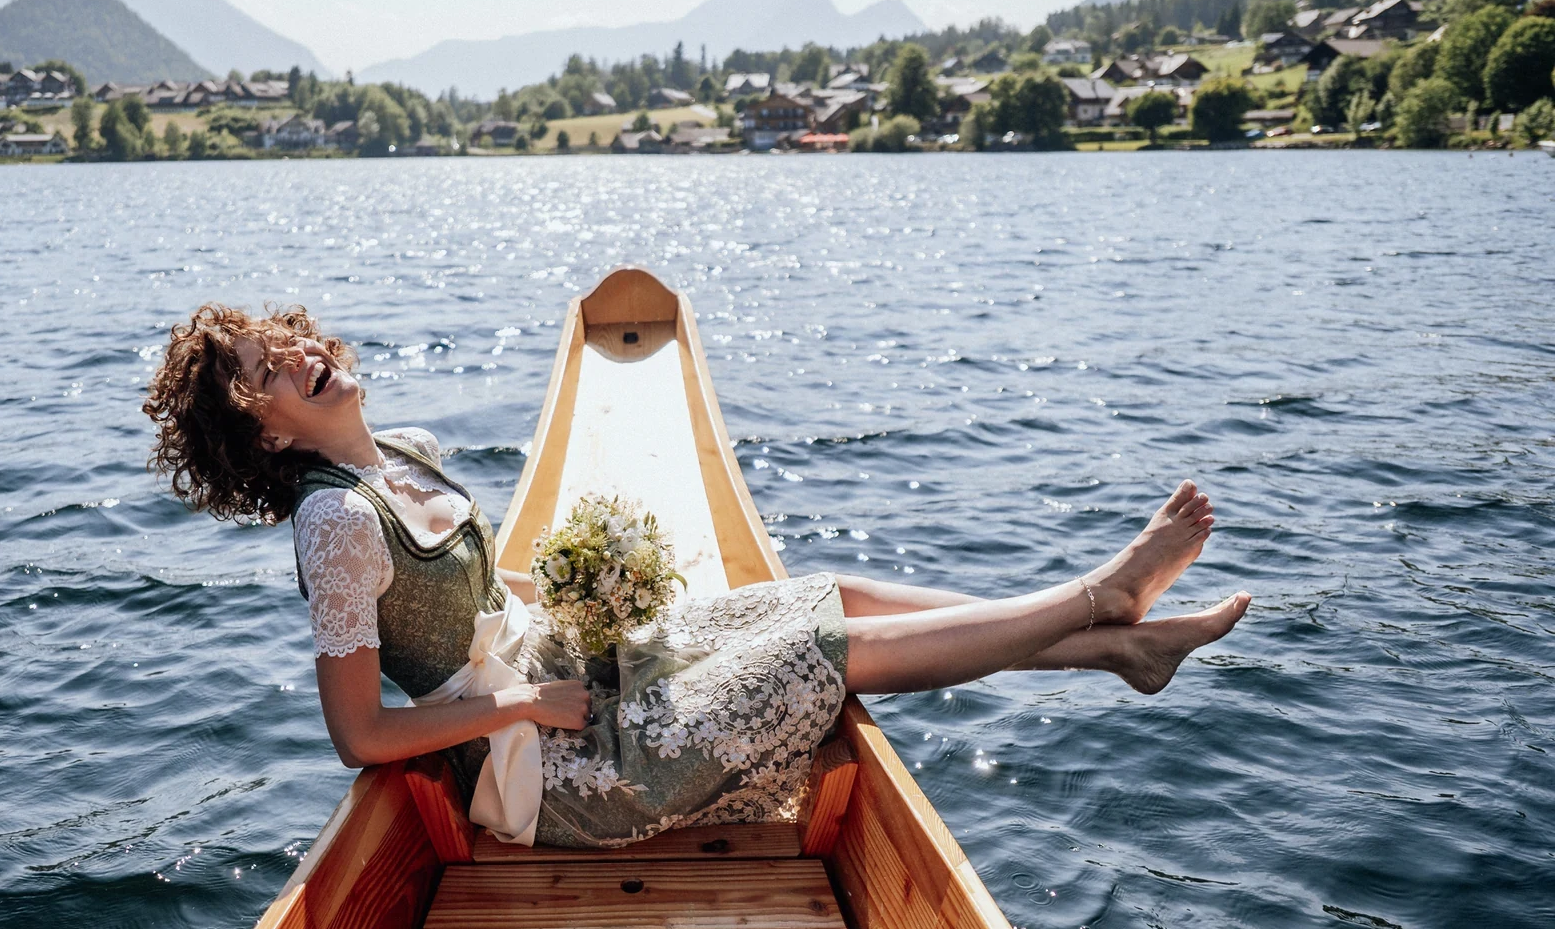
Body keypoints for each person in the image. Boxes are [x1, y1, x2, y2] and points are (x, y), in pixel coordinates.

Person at [144, 303, 1250, 848]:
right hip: (550, 761)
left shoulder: (405, 451)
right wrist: (528, 699)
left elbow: (480, 600)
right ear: (266, 434)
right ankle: (1099, 604)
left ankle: (1120, 646)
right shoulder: (333, 522)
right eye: (261, 372)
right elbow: (364, 738)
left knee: (833, 593)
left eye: (277, 340)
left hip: (571, 668)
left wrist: (585, 594)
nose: (291, 354)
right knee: (823, 649)